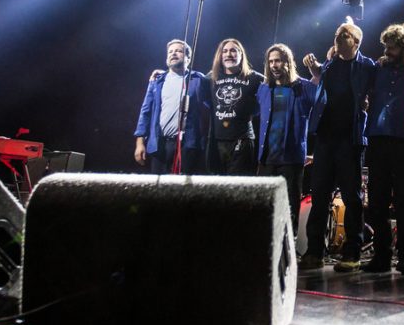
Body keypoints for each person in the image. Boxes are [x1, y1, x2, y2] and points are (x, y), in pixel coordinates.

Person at [301, 22, 377, 272]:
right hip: (325, 138)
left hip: (350, 140)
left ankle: (352, 252)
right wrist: (315, 69)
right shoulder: (330, 64)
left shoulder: (366, 66)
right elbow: (320, 82)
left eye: (345, 34)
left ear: (356, 41)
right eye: (337, 34)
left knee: (352, 197)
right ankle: (314, 251)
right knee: (319, 195)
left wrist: (367, 107)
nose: (338, 37)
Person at [362, 23, 404, 275]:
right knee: (377, 201)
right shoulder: (378, 68)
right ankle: (381, 256)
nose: (387, 50)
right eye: (386, 46)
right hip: (377, 138)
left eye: (392, 46)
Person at [256, 43, 318, 235]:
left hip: (291, 159)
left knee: (289, 208)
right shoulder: (264, 89)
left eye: (278, 61)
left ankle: (288, 248)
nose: (274, 65)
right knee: (264, 207)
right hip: (266, 159)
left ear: (288, 62)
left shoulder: (303, 87)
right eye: (271, 61)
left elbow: (324, 100)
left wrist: (316, 73)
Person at [134, 39, 211, 174]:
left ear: (188, 58)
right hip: (160, 145)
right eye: (170, 52)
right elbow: (145, 112)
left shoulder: (198, 79)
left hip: (188, 146)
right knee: (158, 186)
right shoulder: (157, 80)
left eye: (178, 51)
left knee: (185, 186)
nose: (173, 54)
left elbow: (214, 99)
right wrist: (140, 143)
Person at [206, 38, 264, 175]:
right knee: (217, 185)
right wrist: (163, 74)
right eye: (224, 51)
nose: (228, 54)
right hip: (216, 143)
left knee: (238, 185)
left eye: (233, 50)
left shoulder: (254, 78)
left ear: (241, 54)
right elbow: (190, 80)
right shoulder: (211, 78)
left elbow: (276, 83)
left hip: (242, 141)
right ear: (220, 55)